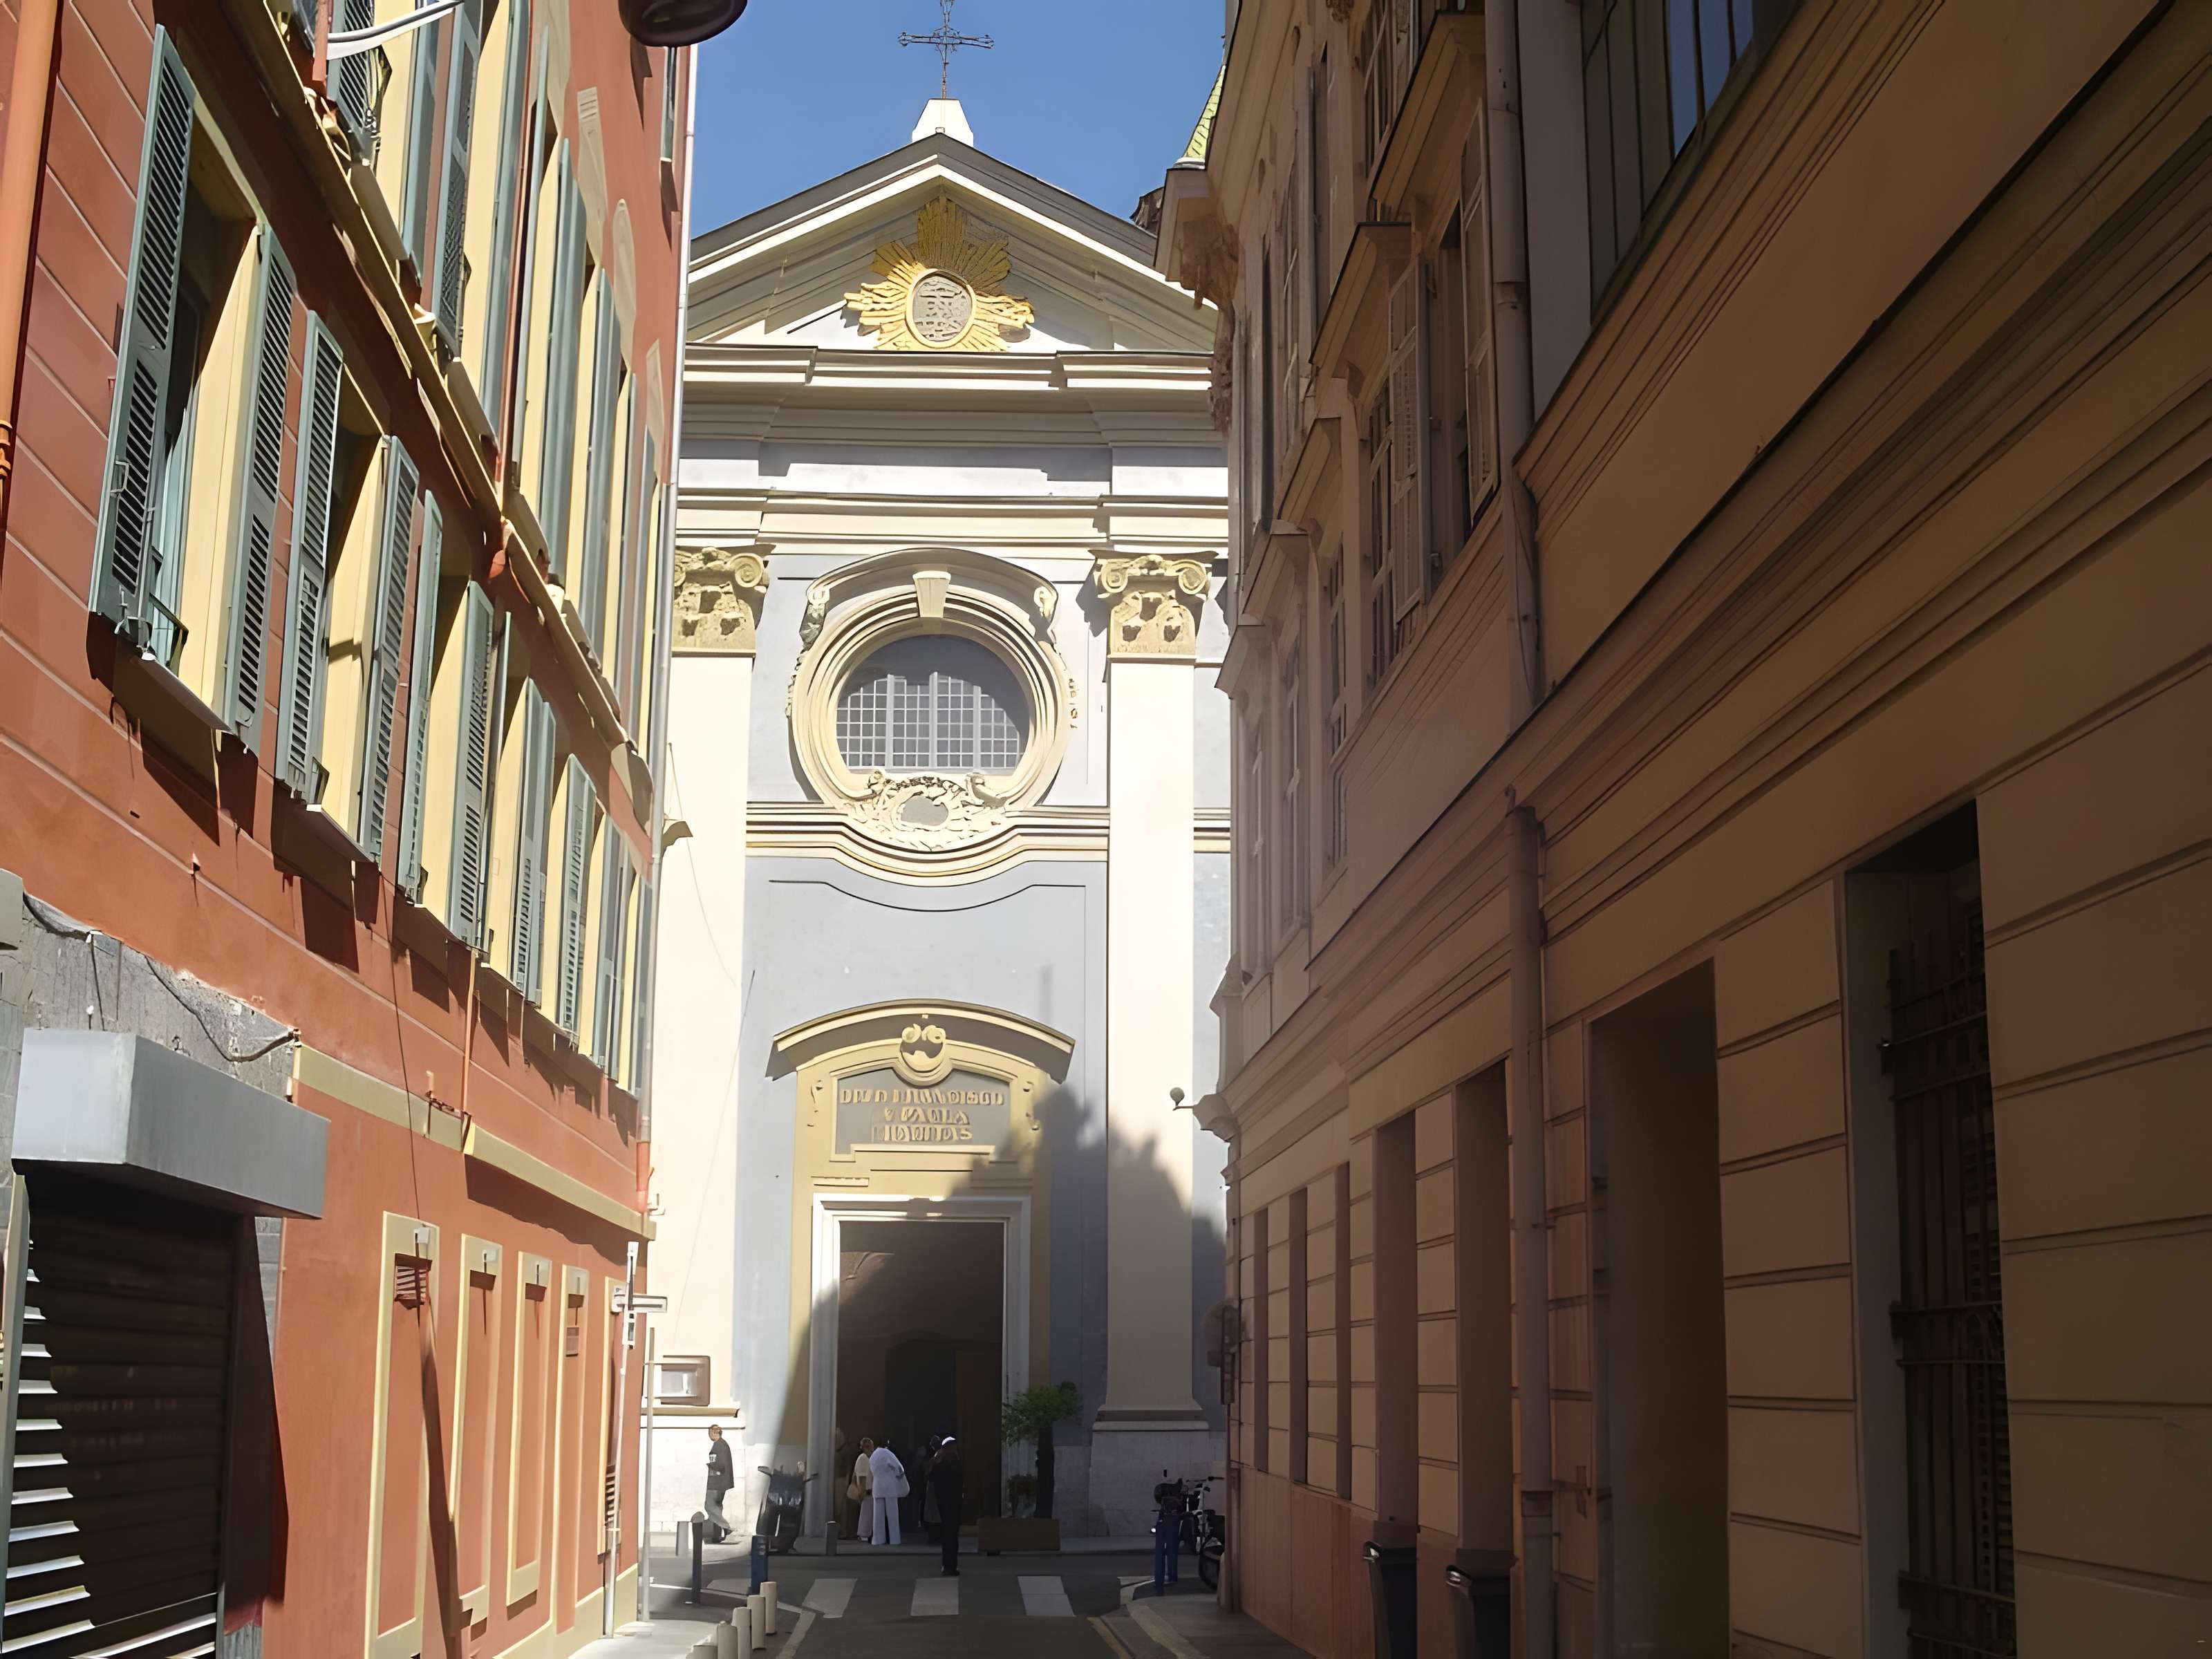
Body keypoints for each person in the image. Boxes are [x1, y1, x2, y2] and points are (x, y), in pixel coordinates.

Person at [928, 1435, 964, 1577]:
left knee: (948, 1534)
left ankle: (948, 1565)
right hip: (952, 1501)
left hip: (944, 1501)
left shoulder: (939, 1460)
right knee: (951, 1535)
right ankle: (950, 1566)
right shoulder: (951, 1461)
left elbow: (931, 1477)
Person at [868, 1437, 906, 1546]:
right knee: (892, 1515)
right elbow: (898, 1467)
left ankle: (878, 1539)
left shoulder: (873, 1456)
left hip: (877, 1486)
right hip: (889, 1487)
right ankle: (895, 1539)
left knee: (878, 1516)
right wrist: (900, 1477)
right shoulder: (887, 1454)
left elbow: (871, 1470)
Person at [703, 1425, 735, 1543]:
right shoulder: (723, 1444)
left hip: (716, 1482)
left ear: (714, 1433)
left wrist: (710, 1465)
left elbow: (720, 1465)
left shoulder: (719, 1445)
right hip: (721, 1483)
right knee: (717, 1508)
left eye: (710, 1433)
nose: (709, 1436)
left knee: (709, 1506)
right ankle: (716, 1535)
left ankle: (726, 1527)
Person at [849, 1436, 876, 1542]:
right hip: (866, 1490)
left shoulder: (867, 1458)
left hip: (868, 1490)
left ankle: (865, 1533)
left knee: (867, 1513)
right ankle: (863, 1534)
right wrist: (862, 1491)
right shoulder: (863, 1458)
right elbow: (862, 1477)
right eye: (868, 1447)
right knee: (866, 1514)